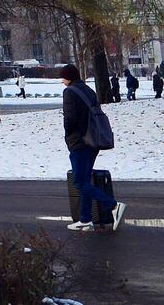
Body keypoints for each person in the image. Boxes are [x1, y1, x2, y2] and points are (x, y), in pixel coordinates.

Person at [60, 63, 125, 232]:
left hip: (79, 142)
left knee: (80, 182)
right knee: (85, 180)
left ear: (68, 77)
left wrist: (69, 136)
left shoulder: (69, 92)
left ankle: (113, 206)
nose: (62, 81)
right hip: (93, 140)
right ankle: (85, 219)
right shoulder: (88, 90)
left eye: (63, 77)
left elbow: (70, 119)